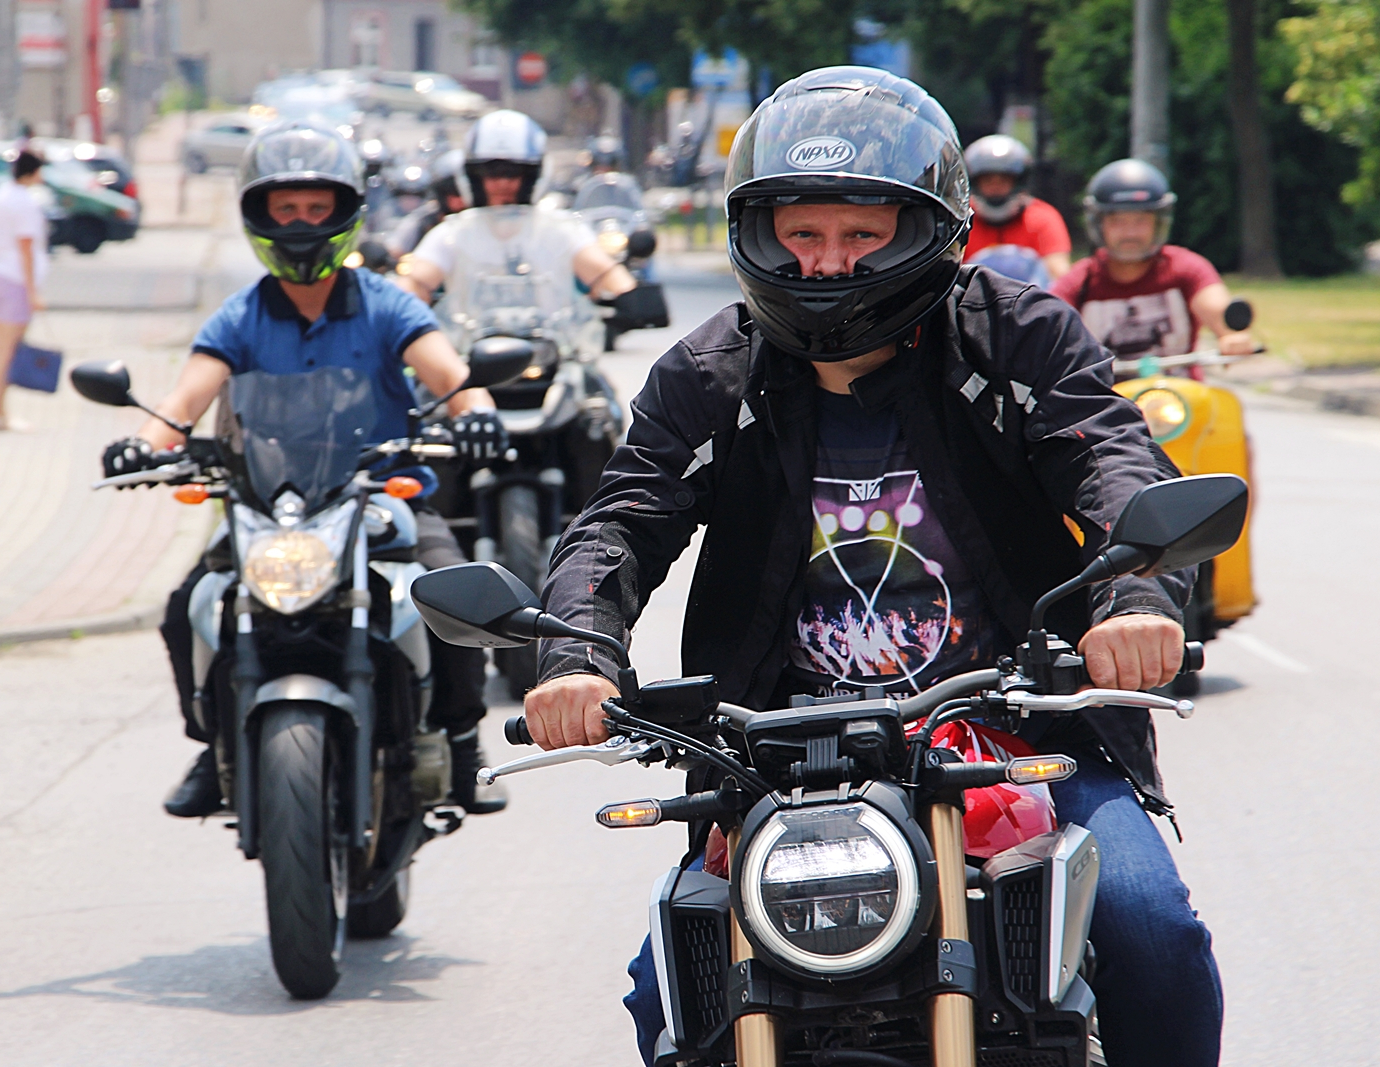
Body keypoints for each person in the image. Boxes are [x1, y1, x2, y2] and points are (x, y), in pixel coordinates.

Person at [521, 67, 1223, 1067]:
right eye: (801, 234)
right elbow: (618, 523)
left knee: (1152, 931)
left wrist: (1134, 597)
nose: (827, 263)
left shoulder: (1015, 338)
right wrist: (576, 659)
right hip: (776, 757)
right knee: (669, 987)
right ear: (759, 233)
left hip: (1018, 729)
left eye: (863, 233)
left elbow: (1112, 459)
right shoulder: (709, 375)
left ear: (929, 230)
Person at [98, 121, 511, 819]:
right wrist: (146, 443)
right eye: (285, 208)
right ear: (258, 216)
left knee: (454, 592)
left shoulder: (387, 303)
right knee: (187, 606)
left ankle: (465, 743)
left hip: (382, 495)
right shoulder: (239, 315)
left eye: (317, 208)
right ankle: (213, 741)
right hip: (269, 502)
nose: (300, 224)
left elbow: (452, 376)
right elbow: (184, 400)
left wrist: (476, 412)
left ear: (345, 212)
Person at [402, 110, 638, 312]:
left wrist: (630, 297)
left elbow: (605, 273)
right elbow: (416, 282)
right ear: (473, 177)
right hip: (467, 348)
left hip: (555, 345)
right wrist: (404, 302)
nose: (503, 183)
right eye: (491, 172)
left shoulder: (560, 230)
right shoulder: (453, 233)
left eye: (514, 172)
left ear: (533, 176)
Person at [1051, 158, 1254, 360]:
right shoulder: (1079, 282)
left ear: (1158, 222)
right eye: (1117, 221)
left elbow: (1217, 310)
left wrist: (1231, 335)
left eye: (1141, 220)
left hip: (1180, 381)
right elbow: (1049, 325)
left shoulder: (1186, 268)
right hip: (1104, 382)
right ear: (1098, 224)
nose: (1130, 233)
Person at [0, 148, 49, 431]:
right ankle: (0, 414)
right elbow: (26, 247)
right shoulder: (24, 202)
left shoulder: (0, 195)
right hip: (16, 279)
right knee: (8, 349)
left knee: (0, 346)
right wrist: (33, 292)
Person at [961, 134, 1071, 282]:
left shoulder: (1042, 218)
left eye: (1004, 180)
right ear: (974, 183)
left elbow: (1059, 275)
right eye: (988, 180)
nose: (996, 187)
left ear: (1019, 182)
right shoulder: (961, 220)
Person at [383, 148, 468, 257]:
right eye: (451, 192)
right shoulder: (423, 220)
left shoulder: (486, 223)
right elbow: (396, 249)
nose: (458, 201)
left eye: (465, 193)